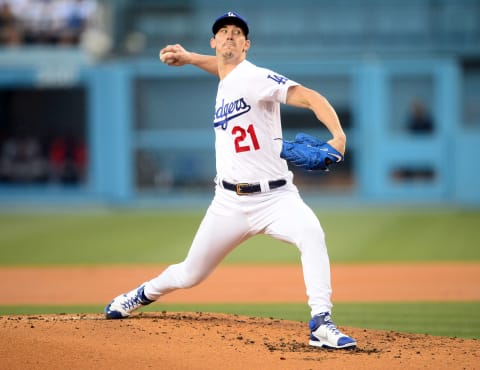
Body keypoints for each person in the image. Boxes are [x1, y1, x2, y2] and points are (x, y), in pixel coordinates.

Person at [104, 11, 356, 350]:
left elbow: (311, 97)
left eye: (237, 33)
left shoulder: (256, 77)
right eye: (223, 32)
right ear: (214, 42)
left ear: (246, 45)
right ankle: (141, 294)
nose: (230, 36)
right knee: (191, 274)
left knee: (312, 234)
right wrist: (191, 58)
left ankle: (321, 322)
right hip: (229, 203)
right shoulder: (228, 77)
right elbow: (222, 68)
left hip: (276, 199)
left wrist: (338, 137)